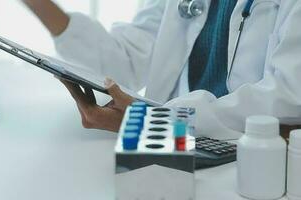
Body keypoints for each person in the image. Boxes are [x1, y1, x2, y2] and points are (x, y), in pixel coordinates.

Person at [22, 0, 301, 139]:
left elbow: (290, 95)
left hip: (250, 157)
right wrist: (40, 5)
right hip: (176, 147)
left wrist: (160, 120)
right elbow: (126, 63)